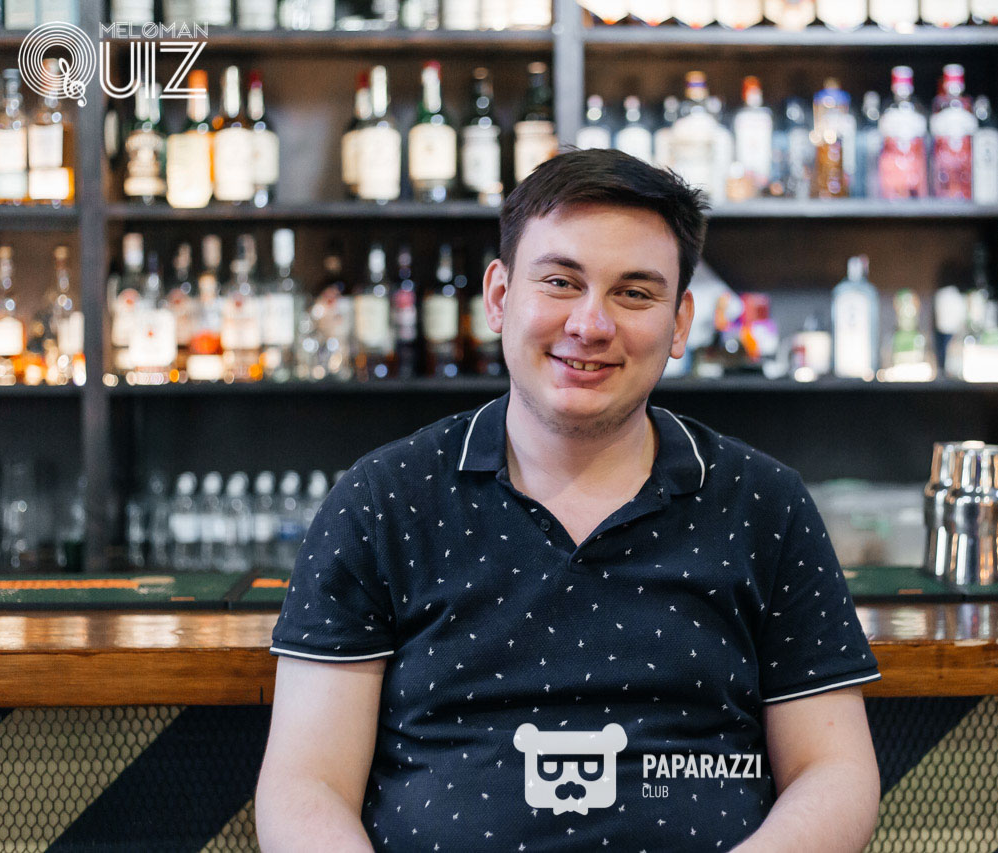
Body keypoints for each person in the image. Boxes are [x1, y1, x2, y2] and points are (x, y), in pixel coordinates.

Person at [255, 148, 881, 852]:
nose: (591, 324)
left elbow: (834, 772)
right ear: (499, 296)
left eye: (634, 293)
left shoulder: (765, 503)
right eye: (560, 281)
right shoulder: (382, 500)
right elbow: (305, 786)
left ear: (680, 323)